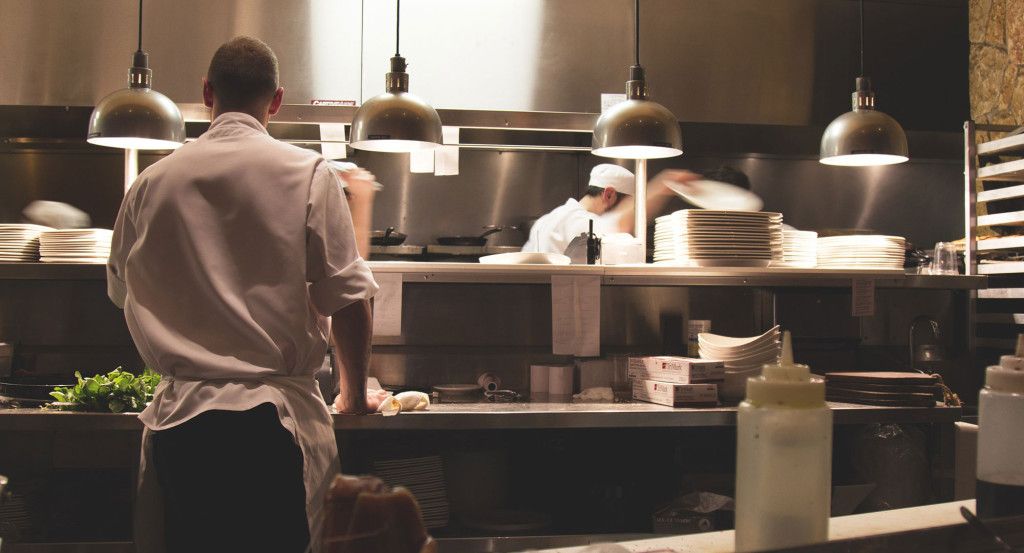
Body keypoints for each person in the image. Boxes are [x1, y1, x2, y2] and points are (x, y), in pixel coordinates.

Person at [106, 36, 379, 553]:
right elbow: (348, 297)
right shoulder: (309, 173)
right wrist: (354, 394)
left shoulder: (150, 182)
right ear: (276, 100)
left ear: (207, 92)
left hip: (180, 428)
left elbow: (121, 292)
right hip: (272, 427)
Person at [522, 163, 698, 255]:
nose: (631, 212)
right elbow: (618, 224)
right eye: (629, 205)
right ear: (609, 194)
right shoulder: (578, 221)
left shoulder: (545, 220)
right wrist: (664, 184)